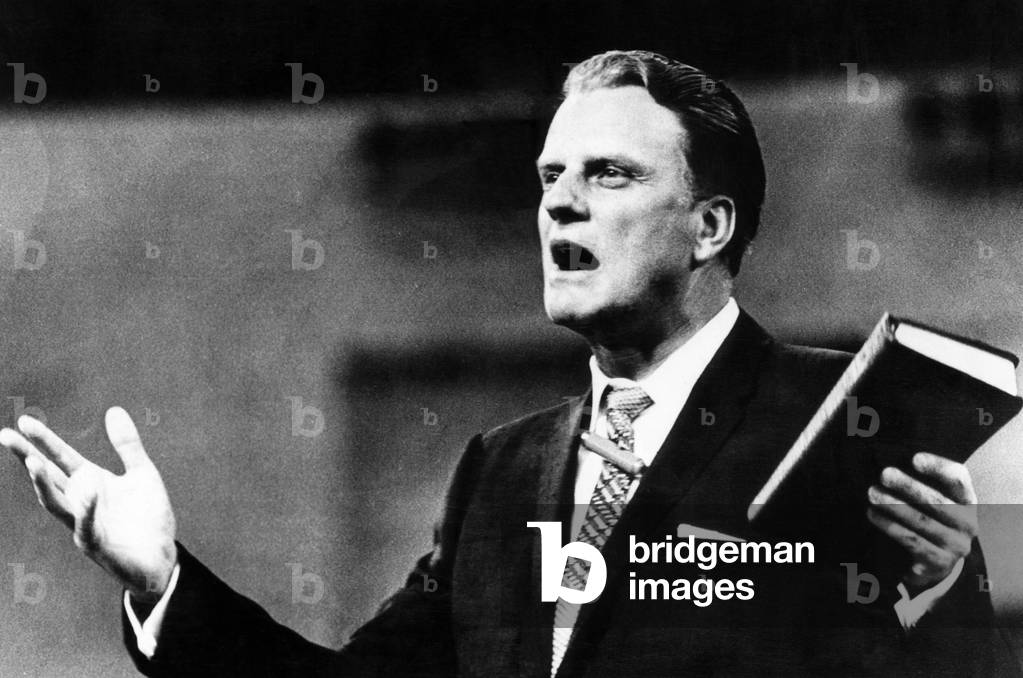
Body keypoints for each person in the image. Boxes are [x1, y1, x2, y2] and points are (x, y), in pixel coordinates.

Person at [4, 50, 1018, 677]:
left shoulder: (832, 419)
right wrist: (162, 581)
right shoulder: (500, 473)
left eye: (609, 175)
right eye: (549, 179)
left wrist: (935, 590)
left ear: (710, 224)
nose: (559, 205)